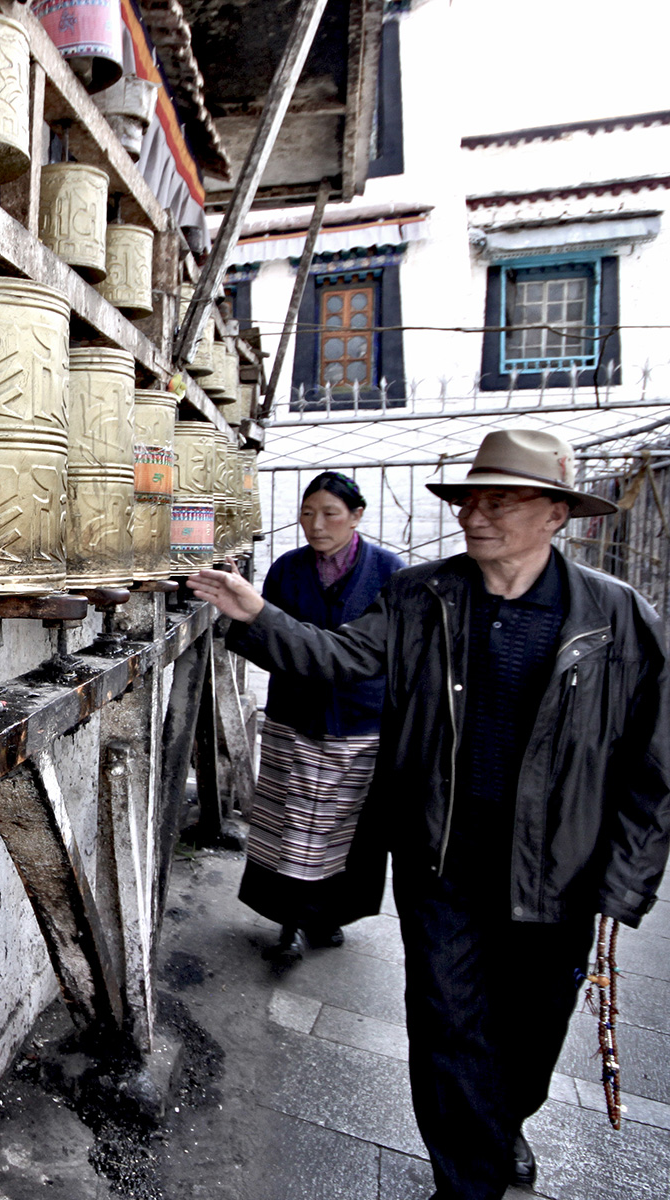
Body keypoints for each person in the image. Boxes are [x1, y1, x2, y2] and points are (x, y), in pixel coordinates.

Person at [187, 429, 670, 1200]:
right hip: (442, 860)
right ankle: (467, 1177)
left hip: (558, 872)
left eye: (499, 501)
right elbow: (342, 657)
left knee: (531, 1032)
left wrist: (626, 882)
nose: (475, 515)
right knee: (447, 1024)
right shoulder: (422, 597)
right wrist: (258, 615)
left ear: (555, 515)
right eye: (470, 499)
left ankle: (500, 1123)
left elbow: (656, 763)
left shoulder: (617, 620)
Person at [229, 471, 404, 960]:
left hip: (358, 722)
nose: (316, 525)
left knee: (345, 827)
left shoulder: (390, 573)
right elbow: (257, 637)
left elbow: (395, 653)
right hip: (295, 716)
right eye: (307, 514)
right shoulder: (286, 570)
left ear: (357, 516)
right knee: (290, 824)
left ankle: (329, 915)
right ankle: (288, 922)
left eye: (330, 513)